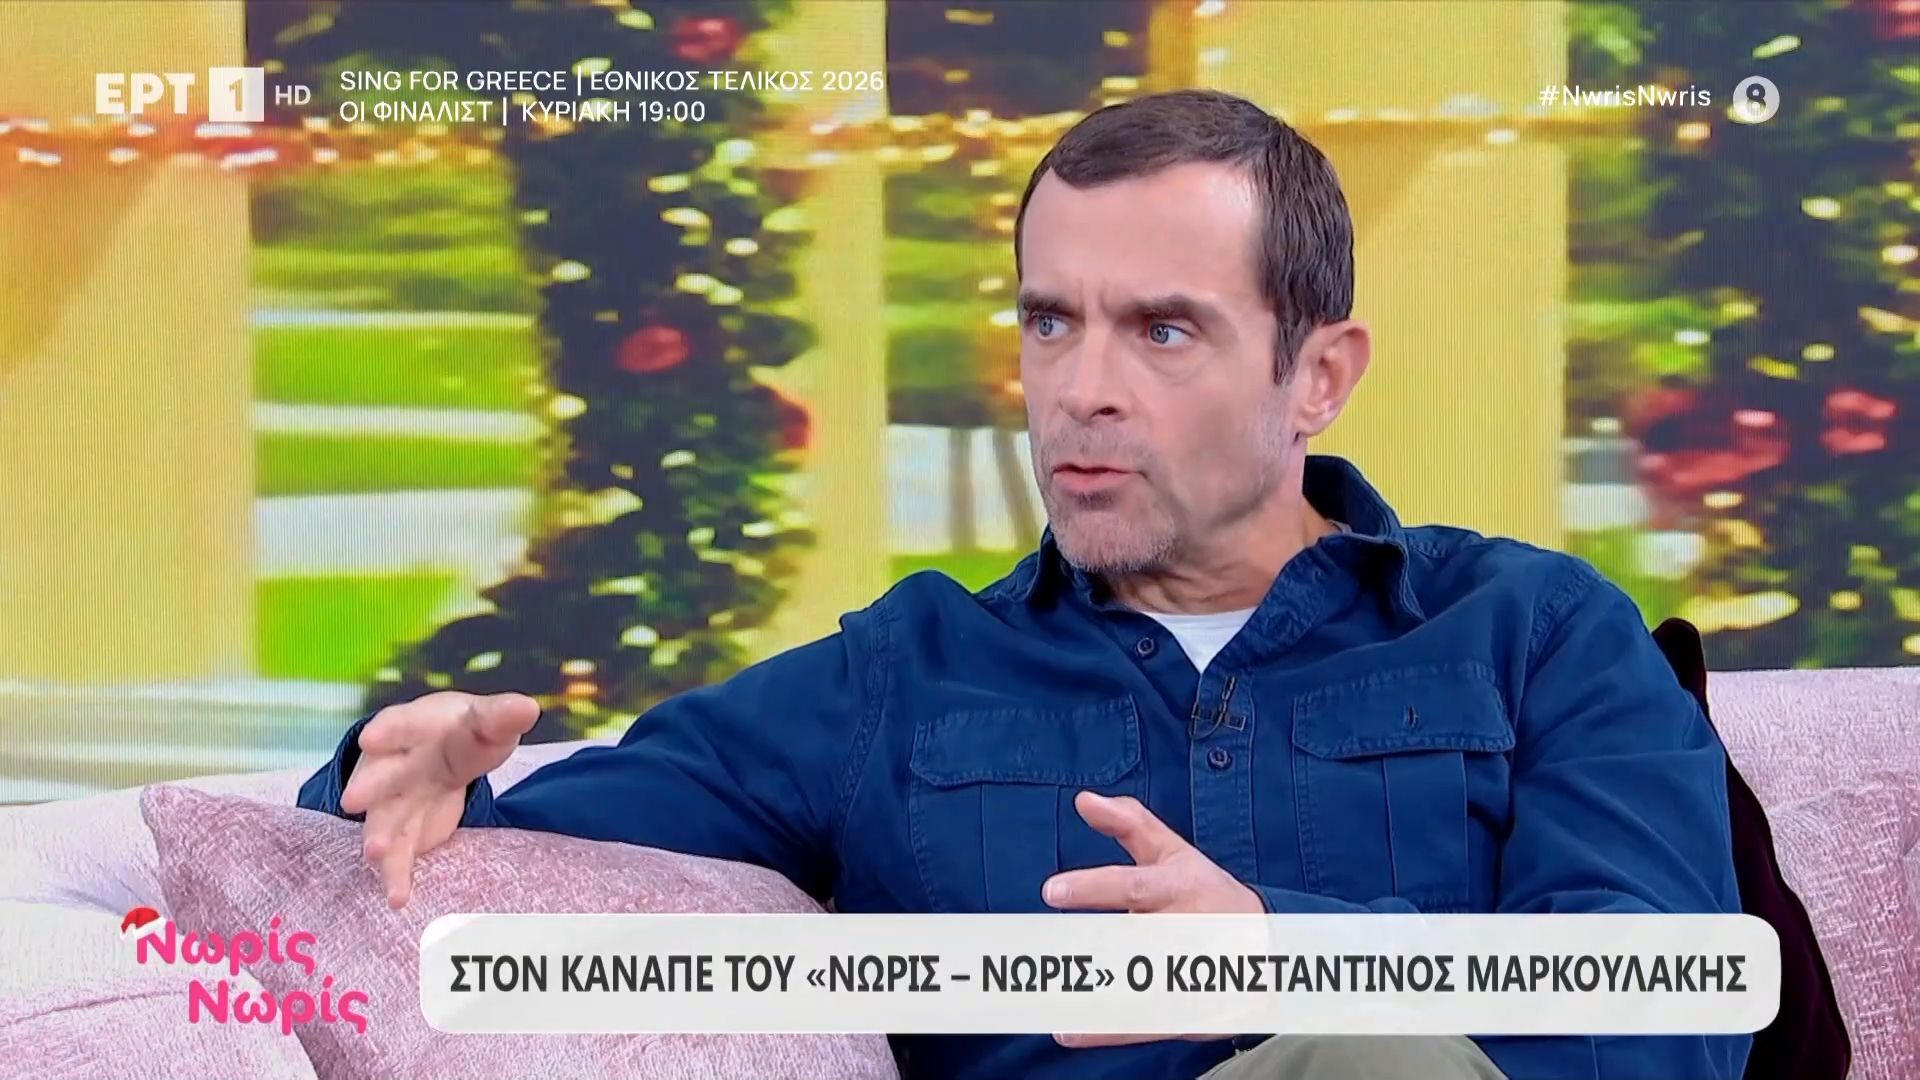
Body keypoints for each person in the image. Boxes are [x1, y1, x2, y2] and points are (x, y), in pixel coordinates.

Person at [298, 89, 1750, 1080]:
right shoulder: (900, 677)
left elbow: (1672, 1014)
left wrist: (1288, 955)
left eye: (1162, 332)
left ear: (1318, 374)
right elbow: (523, 848)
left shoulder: (1534, 634)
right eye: (1050, 324)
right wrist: (395, 773)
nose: (1080, 391)